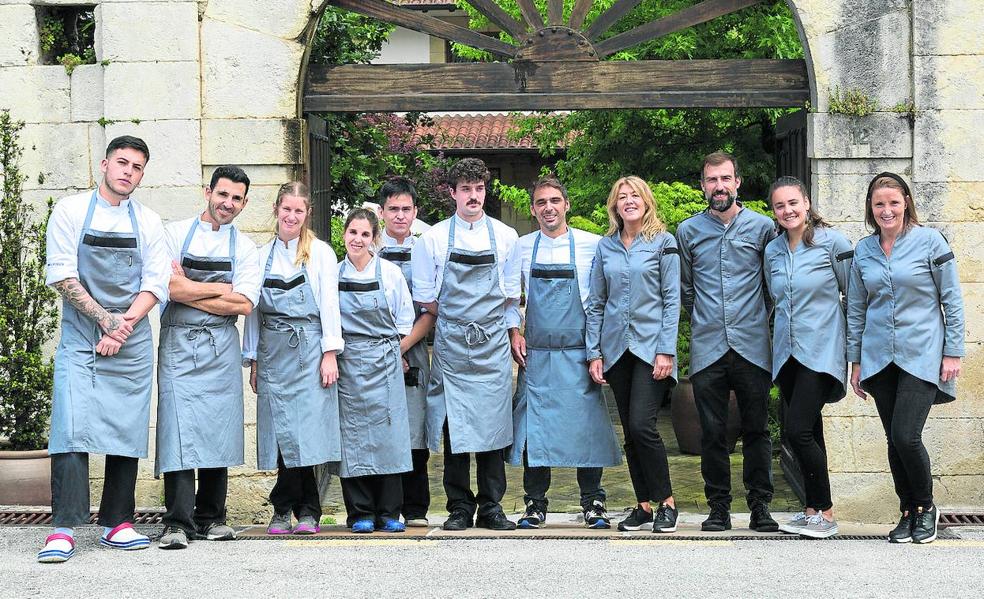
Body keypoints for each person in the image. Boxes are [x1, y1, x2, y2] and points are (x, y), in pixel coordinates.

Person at [38, 136, 169, 563]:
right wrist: (105, 321)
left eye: (137, 167)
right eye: (122, 162)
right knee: (70, 428)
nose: (128, 171)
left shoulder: (149, 221)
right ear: (104, 164)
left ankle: (117, 522)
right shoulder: (71, 211)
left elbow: (155, 283)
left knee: (126, 429)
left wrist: (122, 325)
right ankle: (63, 528)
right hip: (81, 336)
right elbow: (60, 273)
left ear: (142, 175)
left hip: (129, 338)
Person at [847, 172, 964, 545]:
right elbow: (857, 309)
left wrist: (953, 351)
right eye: (879, 204)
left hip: (922, 354)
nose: (886, 210)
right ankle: (907, 512)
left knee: (905, 435)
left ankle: (927, 507)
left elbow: (952, 300)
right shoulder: (863, 250)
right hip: (879, 358)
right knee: (892, 440)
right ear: (871, 207)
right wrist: (856, 362)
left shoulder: (931, 242)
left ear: (907, 203)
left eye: (893, 203)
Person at [506, 176, 622, 530]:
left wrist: (596, 351)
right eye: (541, 202)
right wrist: (514, 333)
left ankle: (593, 502)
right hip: (537, 355)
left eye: (555, 200)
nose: (549, 208)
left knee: (586, 429)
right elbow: (511, 298)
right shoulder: (521, 247)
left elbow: (601, 301)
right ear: (532, 209)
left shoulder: (593, 245)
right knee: (533, 431)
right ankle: (535, 503)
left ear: (567, 205)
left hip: (578, 354)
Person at [411, 158, 520, 531]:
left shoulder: (506, 237)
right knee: (452, 426)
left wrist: (507, 331)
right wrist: (460, 320)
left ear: (485, 192)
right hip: (453, 344)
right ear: (453, 193)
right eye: (466, 189)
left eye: (479, 189)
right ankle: (459, 506)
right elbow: (425, 297)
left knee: (493, 427)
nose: (473, 196)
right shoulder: (434, 239)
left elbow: (510, 299)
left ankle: (492, 506)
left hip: (491, 347)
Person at [155, 166, 260, 549]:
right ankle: (177, 523)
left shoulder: (246, 248)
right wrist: (218, 289)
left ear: (244, 203)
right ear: (208, 192)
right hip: (179, 345)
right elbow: (167, 287)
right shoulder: (173, 233)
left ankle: (212, 517)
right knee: (177, 429)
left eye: (236, 198)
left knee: (218, 426)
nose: (227, 204)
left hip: (220, 347)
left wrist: (189, 287)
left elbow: (245, 303)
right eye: (223, 194)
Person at [676, 152, 779, 532]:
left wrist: (754, 318)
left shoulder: (763, 228)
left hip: (752, 346)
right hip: (708, 348)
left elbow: (772, 285)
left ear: (737, 182)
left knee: (756, 431)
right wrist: (708, 318)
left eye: (725, 179)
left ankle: (760, 507)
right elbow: (685, 289)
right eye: (711, 180)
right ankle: (718, 507)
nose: (719, 186)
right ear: (702, 185)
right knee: (712, 434)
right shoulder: (688, 232)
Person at [243, 182, 343, 535]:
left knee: (309, 432)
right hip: (273, 351)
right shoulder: (259, 256)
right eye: (287, 209)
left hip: (311, 349)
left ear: (306, 215)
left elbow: (330, 305)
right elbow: (253, 311)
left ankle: (297, 508)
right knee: (281, 431)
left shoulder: (321, 253)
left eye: (298, 211)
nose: (291, 216)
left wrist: (330, 353)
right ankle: (292, 509)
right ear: (276, 209)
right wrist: (253, 358)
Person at [584, 176, 680, 533]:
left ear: (646, 201)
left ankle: (667, 503)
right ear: (614, 206)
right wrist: (594, 353)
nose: (628, 201)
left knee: (643, 425)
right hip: (614, 351)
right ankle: (643, 506)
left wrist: (666, 350)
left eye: (635, 195)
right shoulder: (605, 247)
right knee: (629, 431)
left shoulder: (663, 243)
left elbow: (672, 301)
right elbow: (596, 303)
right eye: (622, 197)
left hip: (650, 349)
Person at [764, 177, 852, 539]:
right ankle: (812, 509)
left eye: (793, 203)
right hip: (787, 354)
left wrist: (855, 351)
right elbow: (774, 301)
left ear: (807, 202)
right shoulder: (773, 251)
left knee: (797, 431)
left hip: (822, 351)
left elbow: (855, 296)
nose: (788, 211)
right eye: (780, 206)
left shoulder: (834, 244)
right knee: (810, 431)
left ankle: (826, 513)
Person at [336, 208, 415, 533]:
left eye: (365, 234)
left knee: (389, 437)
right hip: (348, 362)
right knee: (352, 438)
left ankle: (389, 513)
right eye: (352, 232)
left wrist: (393, 351)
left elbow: (405, 319)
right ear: (344, 235)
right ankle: (359, 513)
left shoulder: (391, 274)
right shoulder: (332, 274)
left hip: (384, 361)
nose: (358, 239)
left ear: (374, 239)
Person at [377, 177, 436, 527]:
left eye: (406, 209)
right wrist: (384, 351)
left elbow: (430, 309)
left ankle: (415, 509)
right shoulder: (366, 246)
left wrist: (401, 347)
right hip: (370, 353)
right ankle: (384, 507)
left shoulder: (426, 249)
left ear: (415, 212)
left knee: (415, 430)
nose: (400, 216)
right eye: (393, 209)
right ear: (382, 212)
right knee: (381, 427)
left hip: (413, 348)